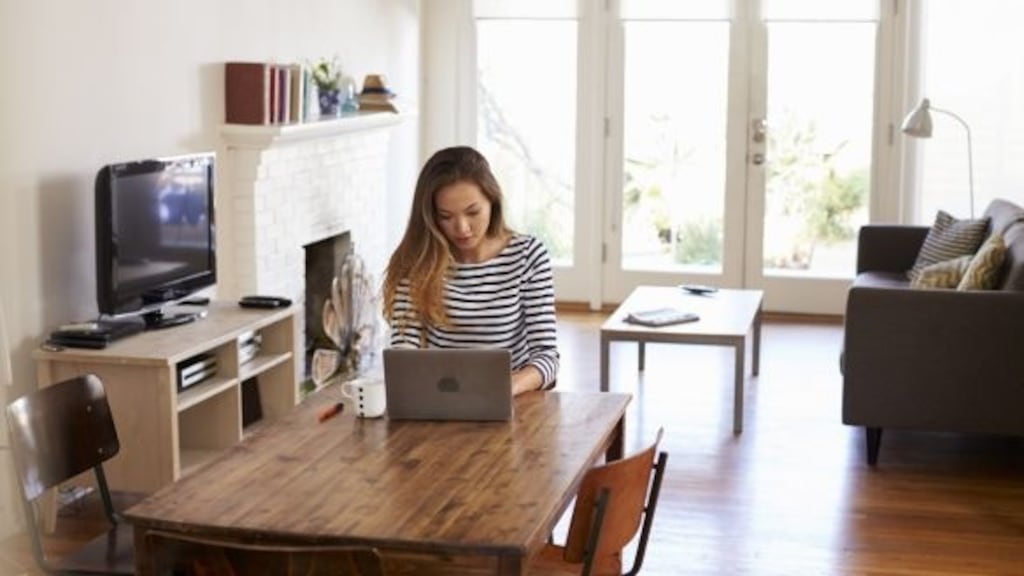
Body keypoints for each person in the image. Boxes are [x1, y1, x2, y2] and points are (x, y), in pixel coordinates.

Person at [382, 146, 559, 395]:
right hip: (440, 398)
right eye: (446, 216)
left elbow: (547, 357)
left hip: (511, 400)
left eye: (473, 212)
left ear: (492, 201)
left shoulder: (528, 255)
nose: (462, 228)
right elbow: (404, 352)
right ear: (431, 216)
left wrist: (506, 387)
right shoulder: (417, 261)